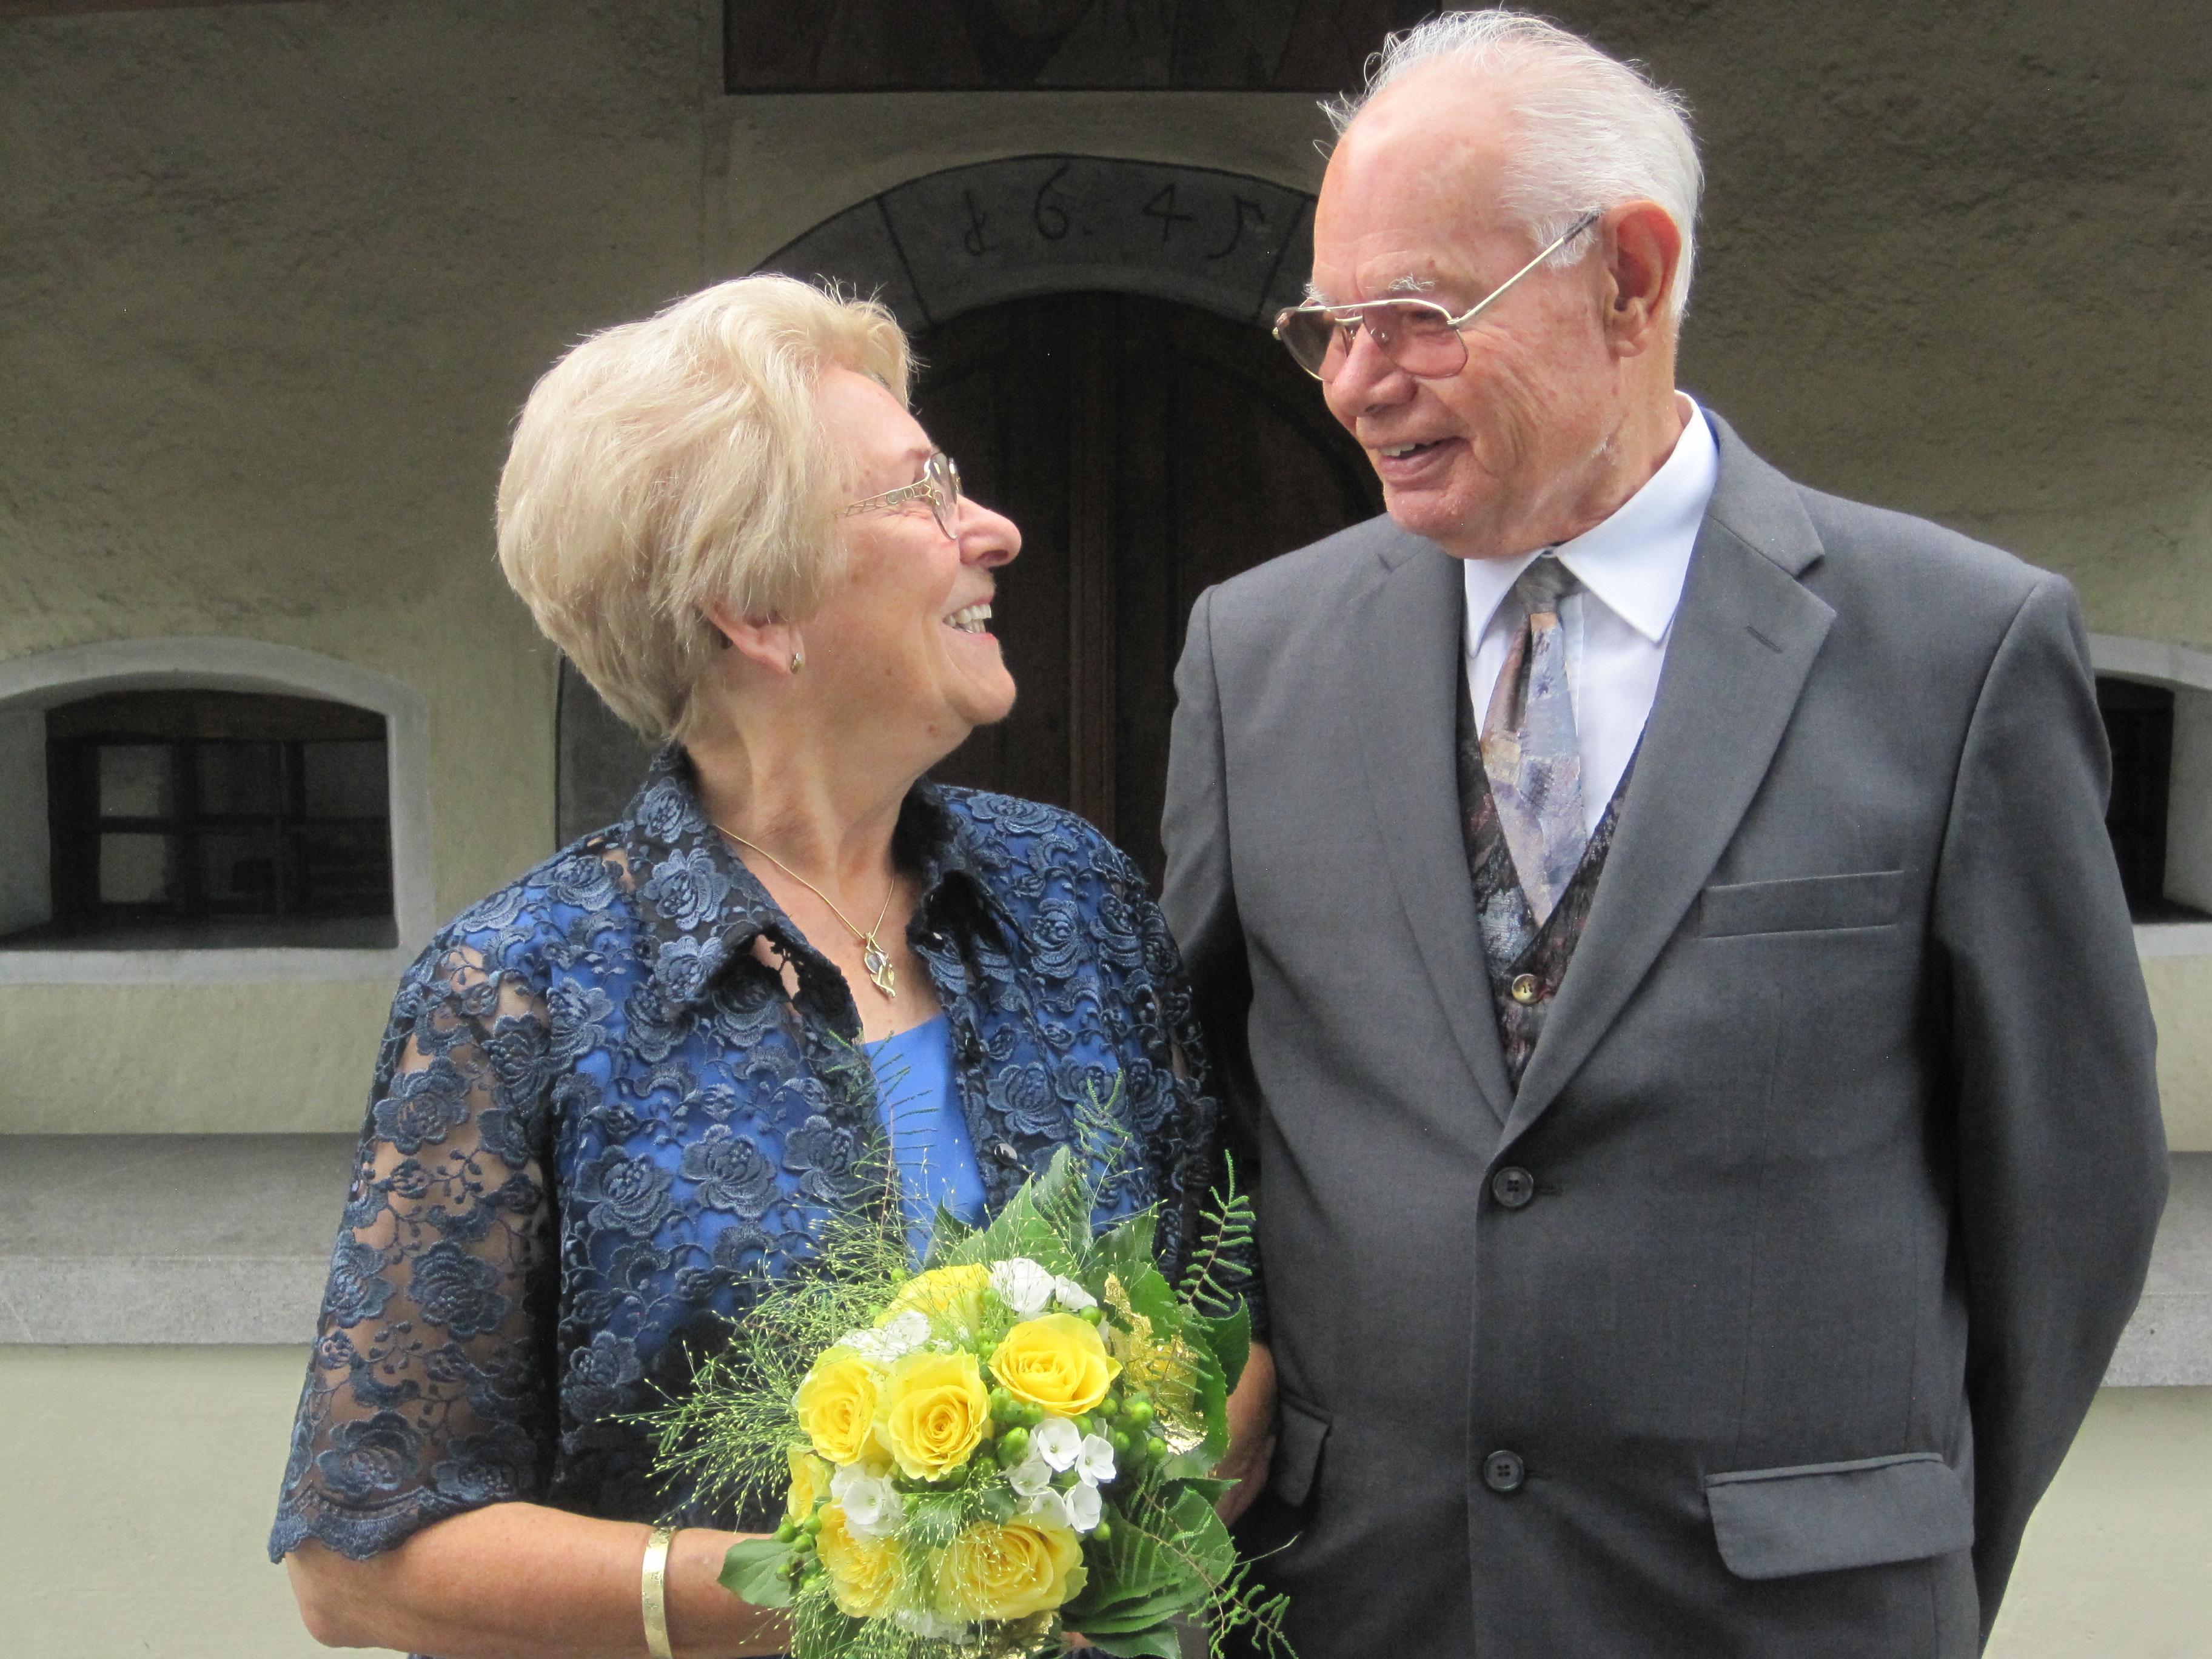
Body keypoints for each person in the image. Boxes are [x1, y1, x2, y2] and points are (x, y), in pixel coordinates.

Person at [1160, 13, 2167, 1659]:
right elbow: (1205, 1119)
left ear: (1629, 278)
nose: (1354, 382)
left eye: (1416, 317)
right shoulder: (1253, 656)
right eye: (1328, 326)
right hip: (1364, 1604)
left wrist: (1896, 1552)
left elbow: (2072, 1191)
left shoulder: (1959, 649)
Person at [271, 275, 1272, 1659]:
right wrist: (840, 1586)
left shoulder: (1073, 897)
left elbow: (1231, 1319)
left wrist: (1109, 1545)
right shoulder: (519, 993)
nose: (993, 529)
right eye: (921, 494)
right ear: (754, 605)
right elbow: (359, 1564)